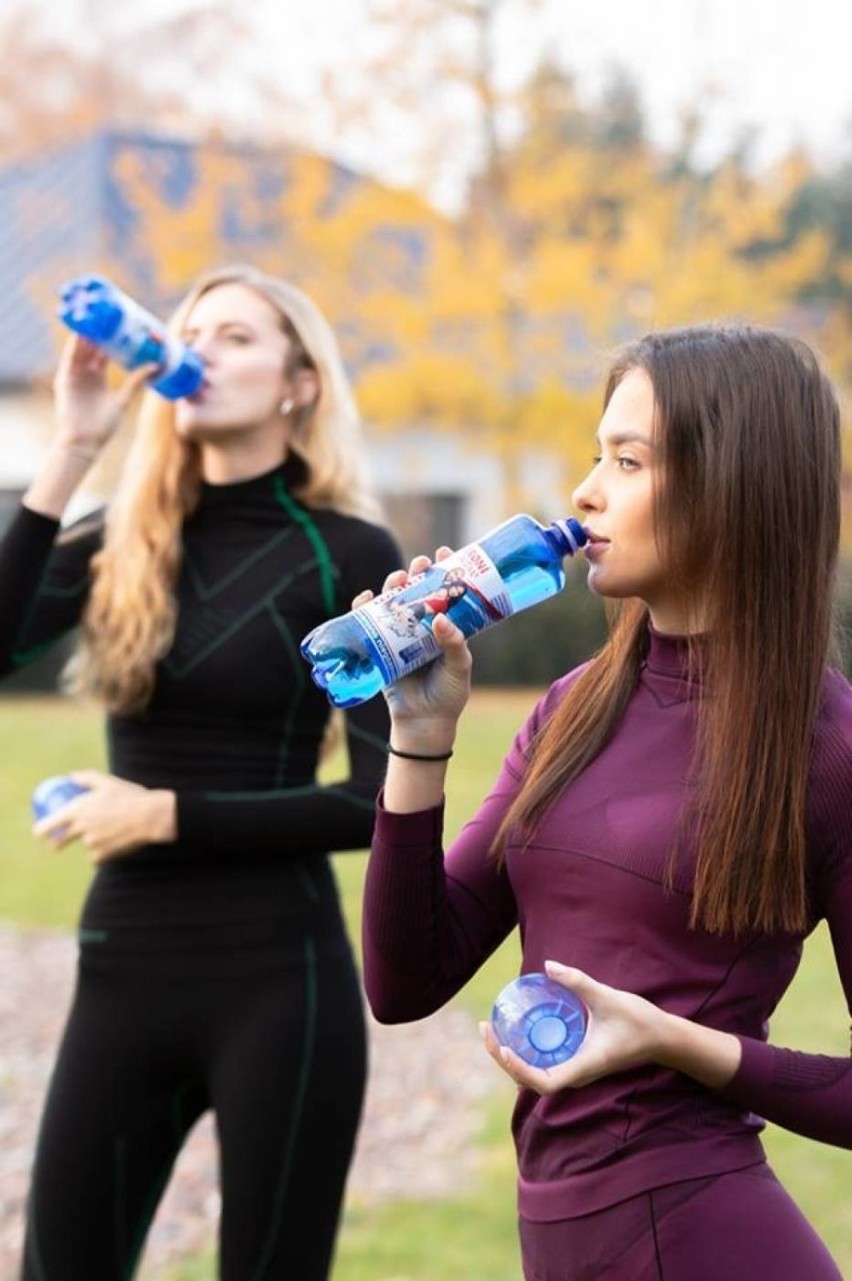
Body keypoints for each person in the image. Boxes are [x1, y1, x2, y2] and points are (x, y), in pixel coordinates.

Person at [359, 323, 852, 1280]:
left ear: (735, 485)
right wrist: (419, 737)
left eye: (627, 460)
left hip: (706, 1234)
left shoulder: (826, 748)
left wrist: (674, 1040)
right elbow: (404, 979)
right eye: (597, 454)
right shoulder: (575, 705)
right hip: (563, 1236)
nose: (585, 491)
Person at [1, 264, 402, 1280]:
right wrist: (75, 446)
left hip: (279, 981)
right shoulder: (119, 539)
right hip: (124, 969)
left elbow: (372, 802)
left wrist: (167, 816)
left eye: (236, 338)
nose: (200, 353)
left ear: (298, 382)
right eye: (191, 333)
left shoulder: (349, 552)